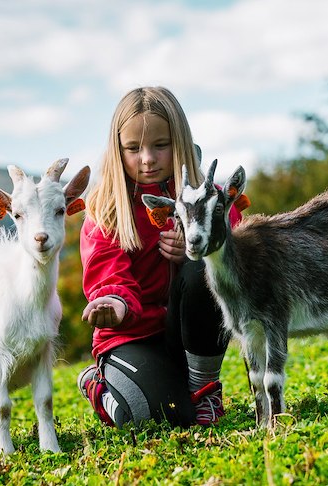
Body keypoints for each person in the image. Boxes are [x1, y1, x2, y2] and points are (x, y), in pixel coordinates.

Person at [76, 86, 244, 427]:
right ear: (117, 150)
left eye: (160, 145)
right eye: (133, 148)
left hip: (190, 338)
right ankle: (98, 383)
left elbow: (242, 250)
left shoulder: (208, 196)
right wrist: (116, 303)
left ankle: (203, 390)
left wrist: (197, 251)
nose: (147, 158)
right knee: (156, 417)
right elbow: (107, 272)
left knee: (205, 265)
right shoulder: (107, 210)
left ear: (179, 142)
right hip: (132, 336)